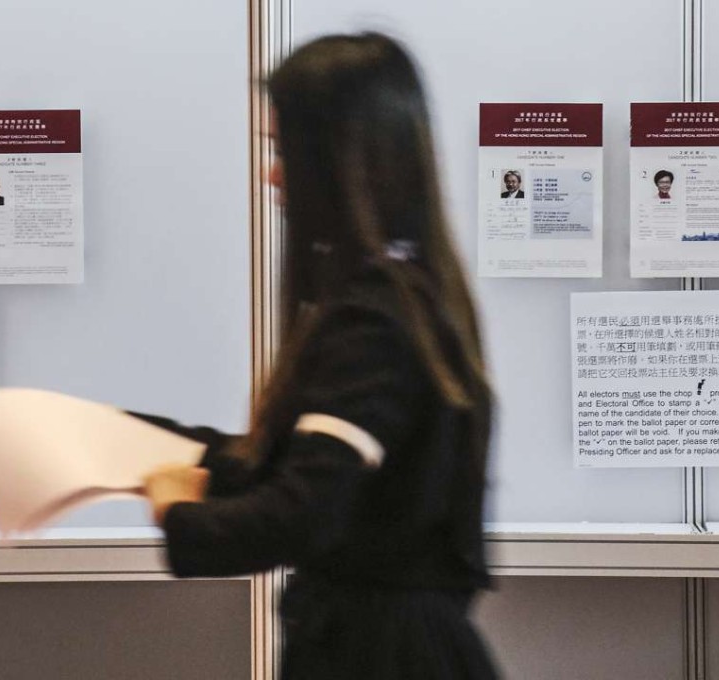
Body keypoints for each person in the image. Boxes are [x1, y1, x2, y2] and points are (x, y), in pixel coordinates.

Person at [141, 32, 499, 679]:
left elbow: (299, 513)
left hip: (383, 659)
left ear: (344, 163)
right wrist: (136, 443)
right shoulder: (406, 300)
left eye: (284, 153)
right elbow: (291, 469)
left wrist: (177, 511)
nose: (271, 176)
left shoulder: (375, 319)